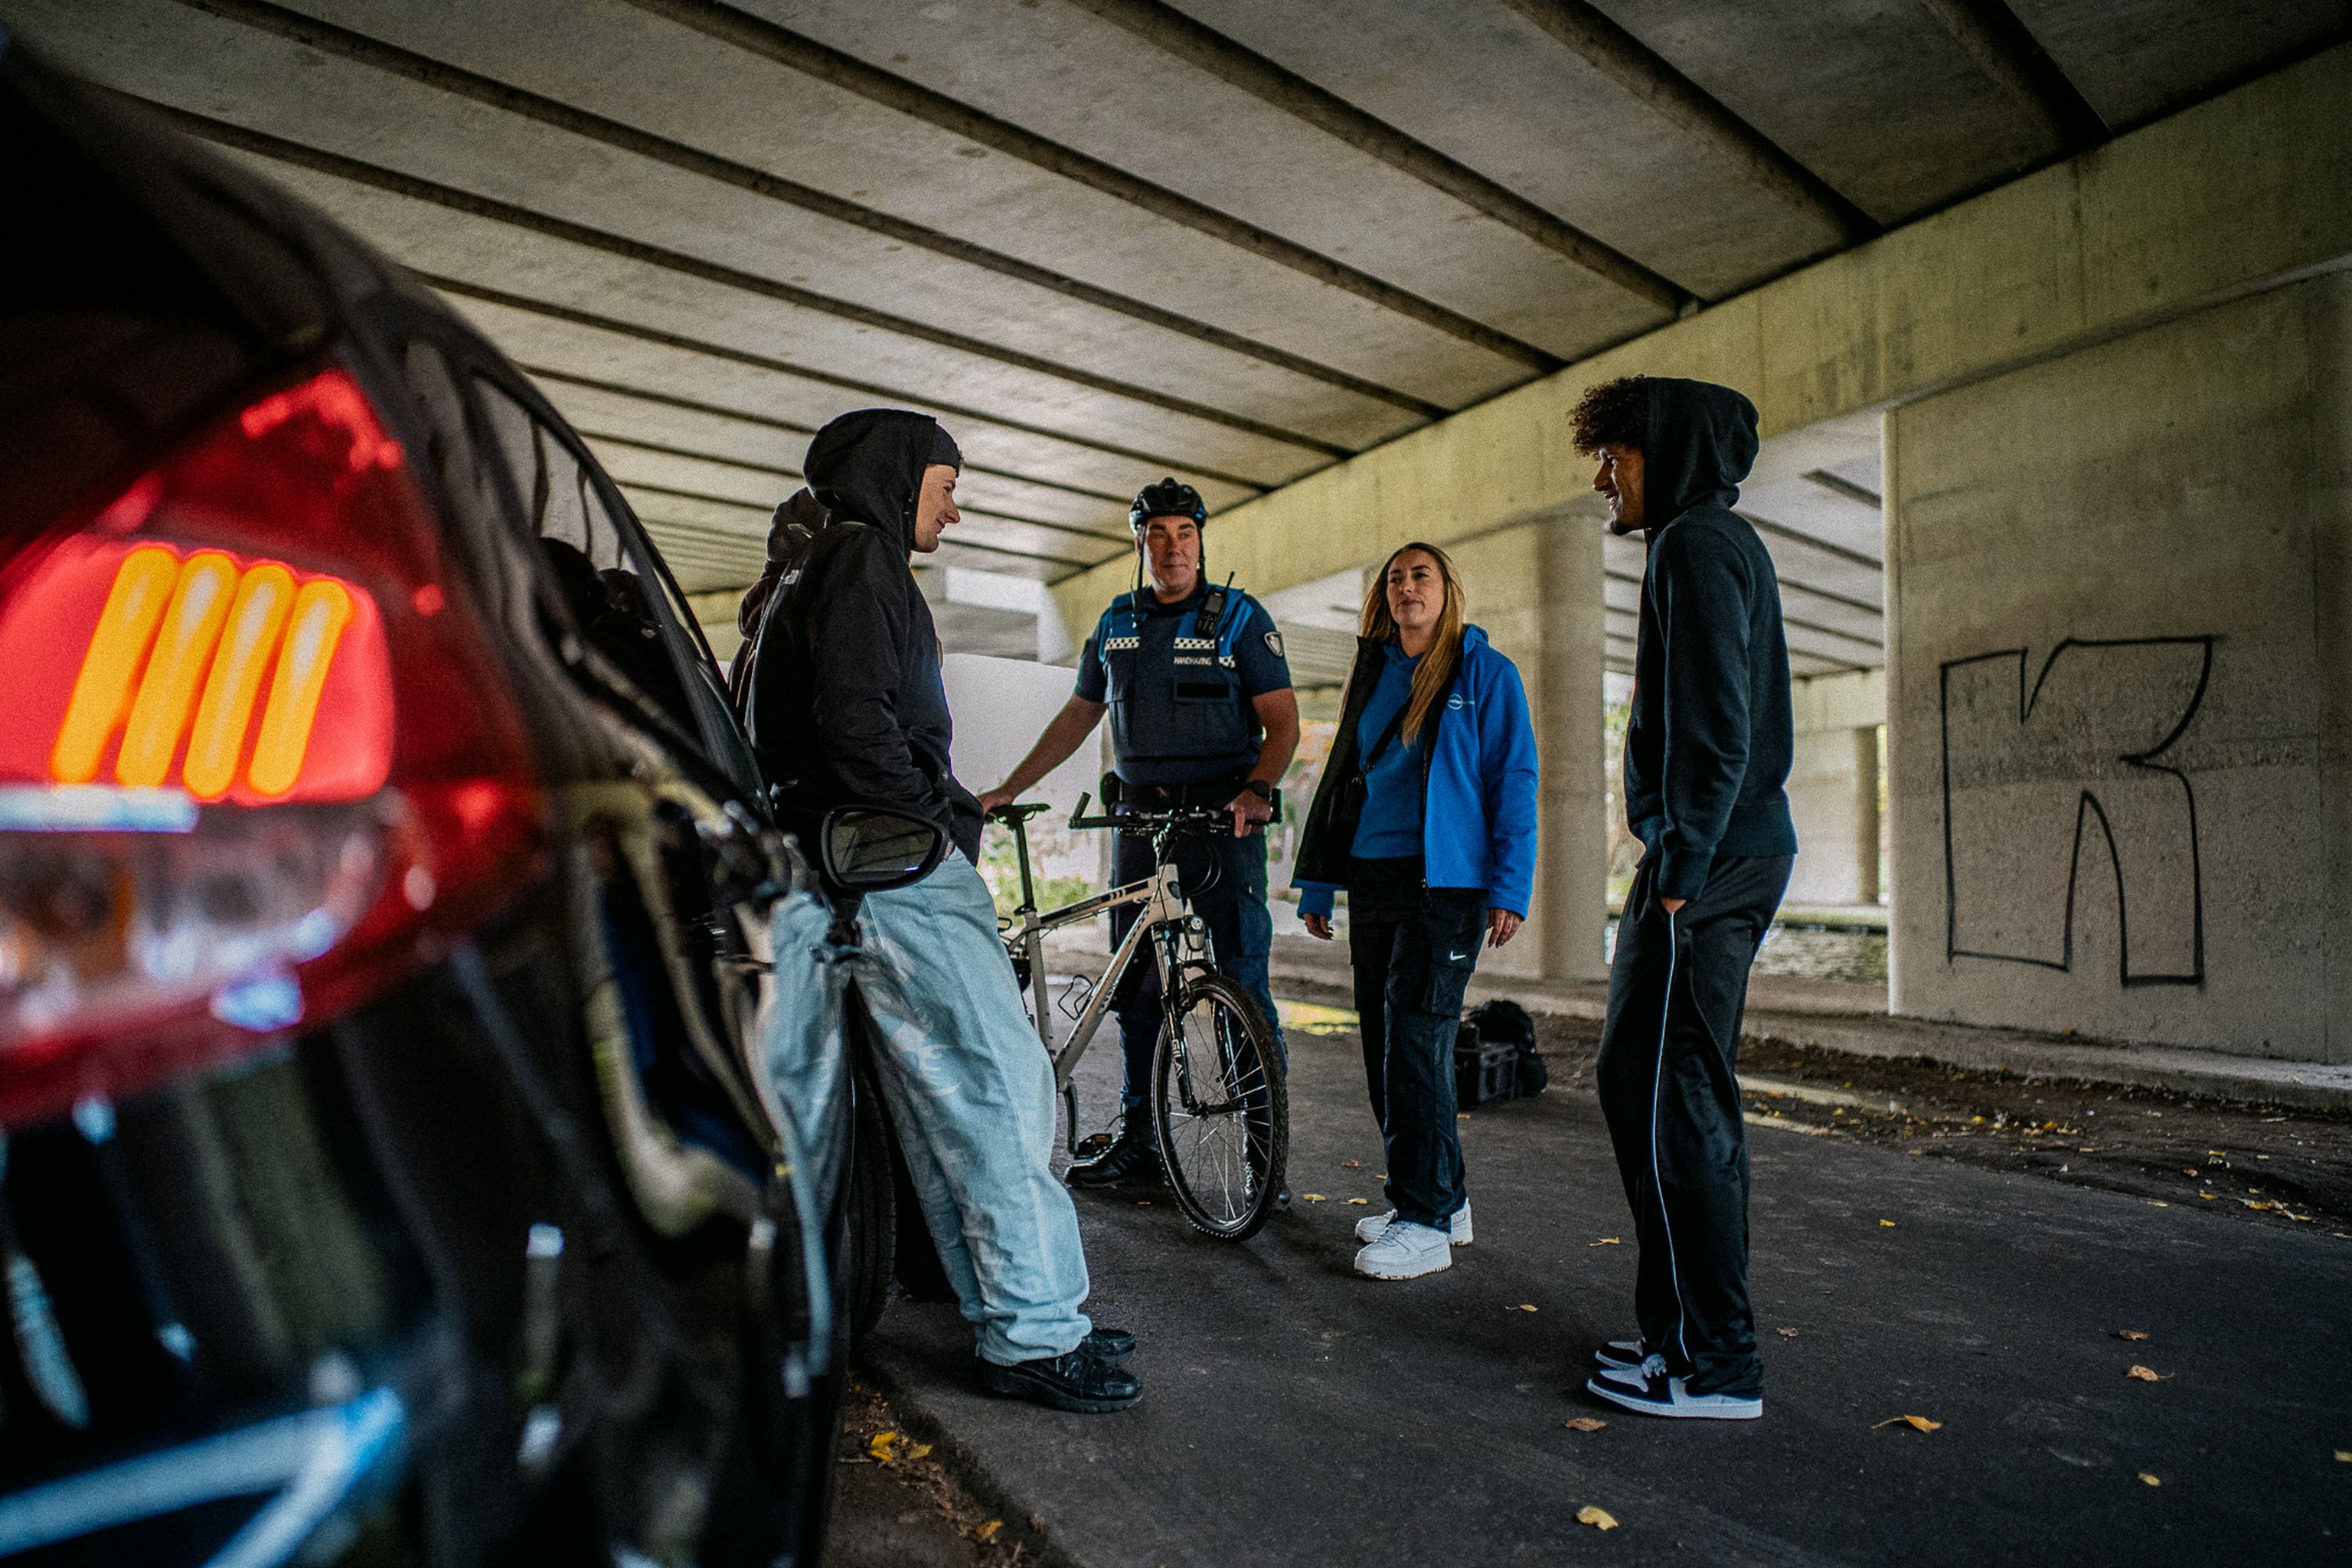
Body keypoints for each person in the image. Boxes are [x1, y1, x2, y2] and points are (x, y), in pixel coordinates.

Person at [748, 407, 1139, 1413]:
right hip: (896, 867)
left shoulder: (809, 569)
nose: (955, 510)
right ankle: (1036, 1335)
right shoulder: (862, 564)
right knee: (1003, 1093)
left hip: (849, 870)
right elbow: (852, 719)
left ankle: (1019, 1315)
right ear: (900, 475)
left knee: (945, 1107)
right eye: (947, 485)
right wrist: (927, 819)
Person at [1573, 375, 1796, 1422]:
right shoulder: (1696, 544)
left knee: (1679, 1098)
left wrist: (1684, 870)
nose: (1604, 476)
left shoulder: (1699, 544)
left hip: (1708, 865)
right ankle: (1675, 1335)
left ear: (1665, 448)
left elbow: (1718, 724)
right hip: (1695, 859)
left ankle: (1717, 1364)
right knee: (1638, 1080)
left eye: (1615, 453)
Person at [978, 479, 1298, 1191]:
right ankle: (1144, 1145)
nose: (1172, 547)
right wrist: (1009, 787)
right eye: (1158, 533)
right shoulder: (1117, 621)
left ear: (1200, 540)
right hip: (1138, 820)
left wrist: (1257, 789)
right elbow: (1077, 716)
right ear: (1141, 541)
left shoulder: (1240, 619)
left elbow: (1283, 722)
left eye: (1184, 533)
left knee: (1241, 980)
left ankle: (1261, 1156)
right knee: (1137, 988)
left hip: (1222, 820)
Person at [1292, 542, 1537, 1280]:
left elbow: (1513, 777)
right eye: (1395, 579)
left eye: (1419, 575)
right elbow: (1341, 781)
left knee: (1418, 1042)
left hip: (1449, 884)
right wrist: (1317, 883)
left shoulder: (1485, 673)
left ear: (1447, 589)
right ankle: (1442, 1198)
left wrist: (1510, 885)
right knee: (1383, 1044)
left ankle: (1425, 1220)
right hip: (1376, 874)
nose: (1406, 588)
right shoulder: (1373, 672)